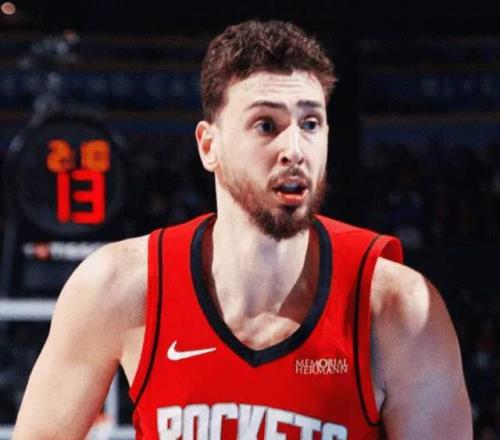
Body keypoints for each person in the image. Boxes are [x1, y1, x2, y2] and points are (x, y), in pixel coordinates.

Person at [13, 20, 472, 440]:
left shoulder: (400, 309)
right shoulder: (119, 286)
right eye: (266, 125)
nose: (295, 148)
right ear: (208, 146)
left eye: (310, 123)